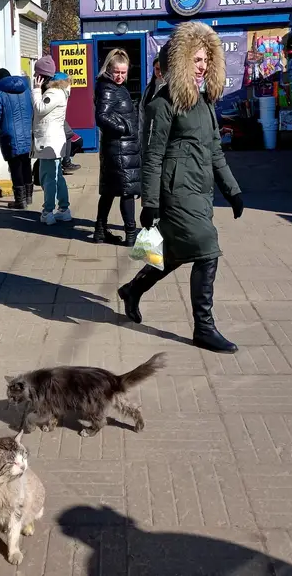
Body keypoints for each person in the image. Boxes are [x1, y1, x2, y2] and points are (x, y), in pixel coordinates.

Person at [118, 22, 243, 354]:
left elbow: (215, 150)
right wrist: (151, 201)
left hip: (200, 192)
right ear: (181, 60)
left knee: (173, 254)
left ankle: (133, 289)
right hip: (175, 192)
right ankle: (204, 327)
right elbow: (153, 153)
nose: (201, 66)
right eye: (196, 59)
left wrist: (232, 189)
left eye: (206, 60)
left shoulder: (204, 102)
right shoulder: (165, 101)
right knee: (207, 249)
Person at [94, 48, 141, 245]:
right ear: (109, 69)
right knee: (126, 191)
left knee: (109, 191)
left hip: (118, 149)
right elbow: (101, 116)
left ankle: (100, 231)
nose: (120, 76)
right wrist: (125, 127)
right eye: (117, 72)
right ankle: (131, 234)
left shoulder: (114, 87)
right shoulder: (108, 87)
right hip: (120, 150)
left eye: (123, 72)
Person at [0, 68, 34, 209]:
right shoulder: (26, 91)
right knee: (26, 164)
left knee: (15, 167)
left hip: (10, 135)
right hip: (27, 134)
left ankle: (20, 201)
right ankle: (28, 197)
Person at [32, 67, 73, 226]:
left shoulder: (54, 93)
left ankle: (48, 211)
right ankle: (64, 209)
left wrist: (36, 91)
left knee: (48, 178)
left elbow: (40, 109)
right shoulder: (63, 92)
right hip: (54, 141)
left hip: (49, 142)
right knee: (57, 177)